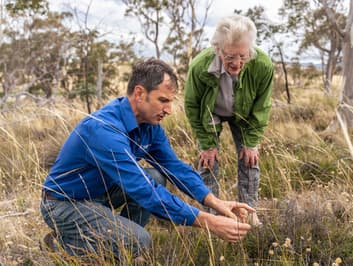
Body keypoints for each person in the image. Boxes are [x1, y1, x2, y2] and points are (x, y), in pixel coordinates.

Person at [40, 58, 255, 260]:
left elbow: (175, 168)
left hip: (100, 193)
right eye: (163, 100)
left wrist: (215, 202)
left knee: (156, 176)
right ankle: (61, 245)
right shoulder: (104, 130)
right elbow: (143, 189)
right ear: (140, 93)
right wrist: (208, 222)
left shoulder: (150, 127)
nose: (169, 110)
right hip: (65, 203)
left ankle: (121, 246)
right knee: (139, 239)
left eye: (171, 102)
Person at [184, 15, 274, 225]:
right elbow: (192, 105)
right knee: (208, 161)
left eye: (242, 56)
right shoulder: (200, 66)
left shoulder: (262, 65)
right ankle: (213, 217)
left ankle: (248, 214)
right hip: (210, 114)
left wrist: (251, 143)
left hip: (244, 114)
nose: (236, 63)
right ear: (218, 49)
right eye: (230, 56)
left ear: (250, 49)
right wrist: (207, 144)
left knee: (249, 160)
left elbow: (262, 107)